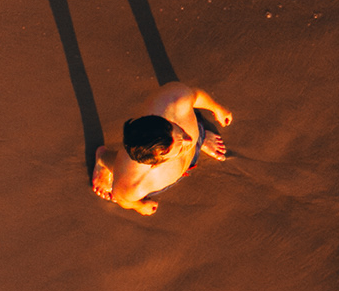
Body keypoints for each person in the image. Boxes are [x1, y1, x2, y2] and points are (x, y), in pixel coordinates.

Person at [90, 81, 234, 216]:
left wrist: (217, 108)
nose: (189, 140)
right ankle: (104, 158)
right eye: (180, 149)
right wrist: (139, 206)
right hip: (143, 173)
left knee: (195, 132)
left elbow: (195, 96)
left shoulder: (176, 99)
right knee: (120, 165)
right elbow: (123, 199)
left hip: (186, 147)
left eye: (180, 131)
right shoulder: (134, 185)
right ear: (155, 164)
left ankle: (201, 138)